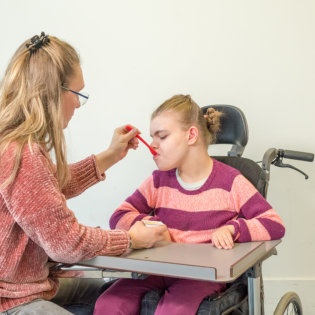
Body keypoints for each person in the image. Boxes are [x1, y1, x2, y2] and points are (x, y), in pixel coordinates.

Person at [0, 32, 168, 315]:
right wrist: (132, 240)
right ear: (52, 91)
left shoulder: (13, 143)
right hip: (13, 301)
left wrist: (110, 155)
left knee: (116, 295)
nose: (78, 104)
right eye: (77, 94)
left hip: (29, 286)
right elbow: (67, 243)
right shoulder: (21, 154)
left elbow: (46, 191)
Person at [94, 94, 286, 315]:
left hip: (202, 274)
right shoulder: (158, 181)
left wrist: (234, 229)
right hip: (158, 268)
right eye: (152, 137)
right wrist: (152, 226)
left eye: (162, 137)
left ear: (191, 135)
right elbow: (119, 215)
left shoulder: (231, 182)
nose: (152, 146)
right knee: (109, 303)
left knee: (173, 310)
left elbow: (274, 224)